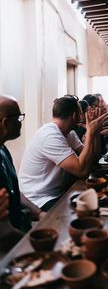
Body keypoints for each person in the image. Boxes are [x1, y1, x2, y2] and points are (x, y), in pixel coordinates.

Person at [19, 95, 108, 211]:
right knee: (87, 210)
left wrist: (96, 133)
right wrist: (90, 133)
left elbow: (92, 158)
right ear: (74, 115)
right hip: (39, 198)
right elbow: (81, 171)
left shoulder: (69, 133)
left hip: (58, 191)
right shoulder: (50, 136)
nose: (83, 115)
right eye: (81, 112)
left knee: (100, 199)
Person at [0, 95, 44, 233]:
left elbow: (14, 193)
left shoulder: (3, 150)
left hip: (19, 228)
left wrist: (39, 213)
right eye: (18, 118)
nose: (21, 122)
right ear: (5, 123)